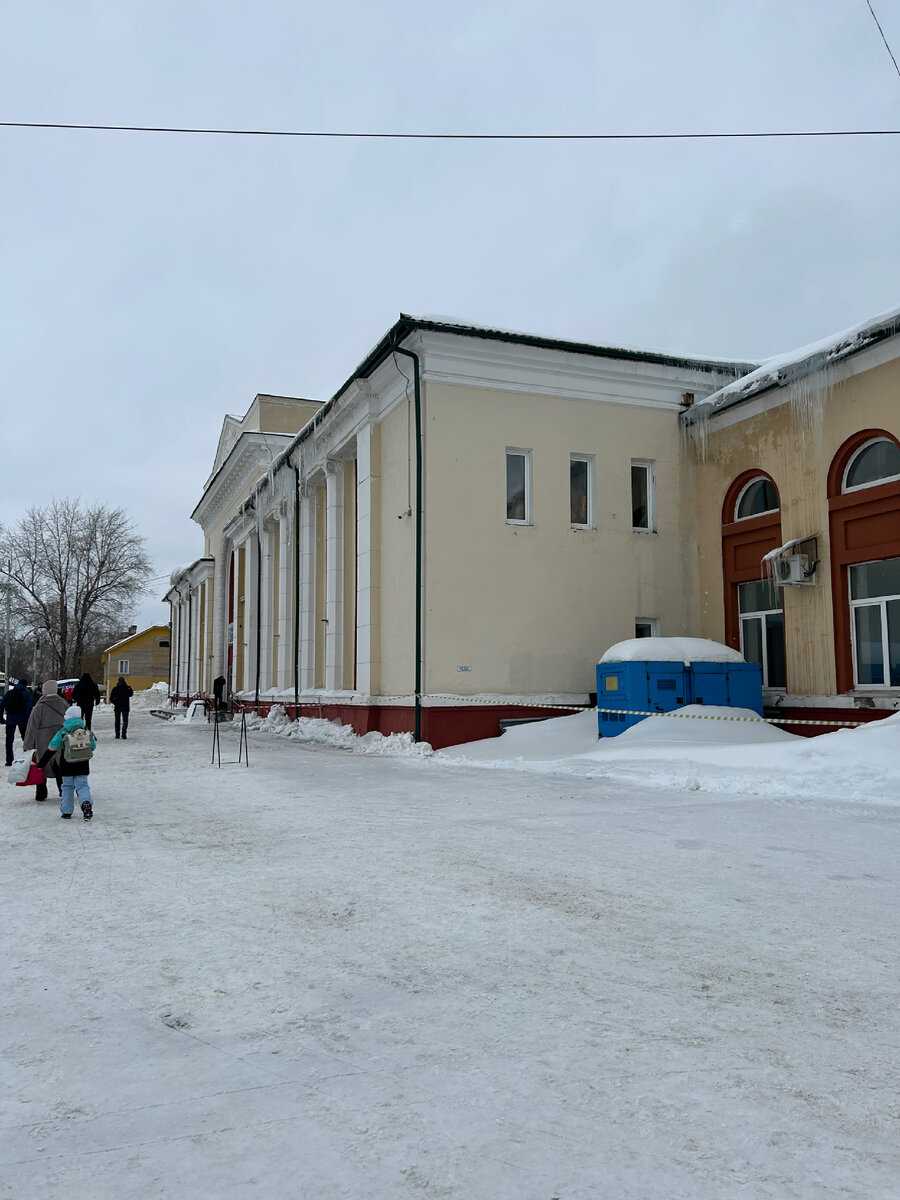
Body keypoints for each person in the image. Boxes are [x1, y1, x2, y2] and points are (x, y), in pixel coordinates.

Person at [39, 705, 96, 821]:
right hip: (83, 764)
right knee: (83, 786)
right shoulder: (86, 731)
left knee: (67, 787)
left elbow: (52, 748)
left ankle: (66, 811)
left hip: (67, 764)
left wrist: (41, 763)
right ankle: (86, 803)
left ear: (67, 718)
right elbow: (93, 747)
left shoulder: (63, 732)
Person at [23, 680, 68, 802]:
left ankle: (41, 793)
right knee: (59, 764)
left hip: (43, 739)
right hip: (60, 737)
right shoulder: (64, 704)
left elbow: (32, 727)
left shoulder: (39, 706)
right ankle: (63, 790)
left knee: (42, 765)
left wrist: (27, 744)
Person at [0, 677, 34, 767]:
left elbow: (1, 705)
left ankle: (9, 760)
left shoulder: (9, 693)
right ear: (25, 685)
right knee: (26, 740)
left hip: (10, 718)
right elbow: (28, 708)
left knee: (9, 741)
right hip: (23, 719)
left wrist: (1, 718)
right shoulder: (27, 694)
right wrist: (28, 720)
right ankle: (26, 758)